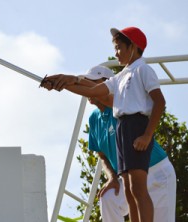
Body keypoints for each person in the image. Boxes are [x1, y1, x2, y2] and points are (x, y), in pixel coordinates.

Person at [41, 27, 167, 222]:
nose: (116, 53)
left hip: (136, 126)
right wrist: (64, 83)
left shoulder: (143, 69)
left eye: (118, 48)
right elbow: (94, 91)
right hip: (122, 128)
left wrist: (147, 135)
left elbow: (159, 102)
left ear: (132, 47)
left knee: (138, 189)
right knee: (130, 190)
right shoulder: (120, 76)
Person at [84, 66, 176, 221]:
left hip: (157, 172)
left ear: (108, 85)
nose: (90, 87)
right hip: (129, 176)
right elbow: (102, 155)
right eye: (87, 82)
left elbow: (157, 103)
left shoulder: (120, 105)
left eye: (94, 82)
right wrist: (112, 177)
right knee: (109, 198)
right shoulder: (94, 118)